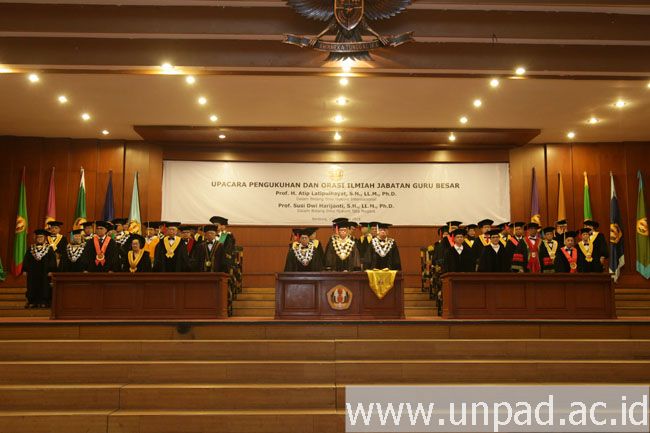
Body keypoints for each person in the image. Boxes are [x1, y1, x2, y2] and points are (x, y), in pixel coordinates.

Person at [23, 229, 57, 308]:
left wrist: (51, 270)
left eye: (41, 237)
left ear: (44, 238)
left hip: (45, 272)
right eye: (38, 237)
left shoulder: (49, 249)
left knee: (44, 286)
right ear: (36, 238)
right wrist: (25, 269)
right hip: (33, 272)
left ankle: (43, 302)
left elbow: (52, 260)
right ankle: (32, 301)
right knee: (32, 285)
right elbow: (26, 259)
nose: (40, 239)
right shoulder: (31, 248)